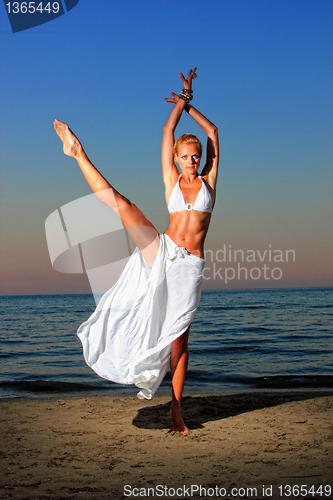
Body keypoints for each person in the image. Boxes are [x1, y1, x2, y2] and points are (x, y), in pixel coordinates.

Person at [53, 68, 219, 435]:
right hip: (164, 249)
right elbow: (166, 132)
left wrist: (188, 100)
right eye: (186, 157)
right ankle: (78, 153)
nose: (192, 161)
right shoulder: (170, 179)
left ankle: (176, 408)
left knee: (179, 338)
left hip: (189, 266)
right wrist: (180, 100)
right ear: (176, 160)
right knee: (123, 205)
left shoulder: (209, 179)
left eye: (195, 157)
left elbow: (214, 133)